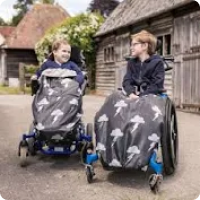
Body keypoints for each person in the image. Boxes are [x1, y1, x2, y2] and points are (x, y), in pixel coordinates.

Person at [122, 30, 165, 99]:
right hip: (132, 96)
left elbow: (157, 85)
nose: (131, 48)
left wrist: (141, 96)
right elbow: (127, 81)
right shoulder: (131, 62)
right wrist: (131, 93)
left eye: (134, 44)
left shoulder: (157, 62)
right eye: (131, 45)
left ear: (144, 46)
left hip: (150, 98)